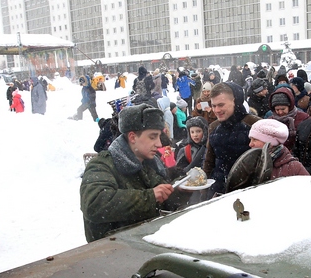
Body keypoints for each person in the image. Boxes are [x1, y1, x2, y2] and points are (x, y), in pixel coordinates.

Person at [80, 104, 186, 241]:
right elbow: (94, 204)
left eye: (159, 136)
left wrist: (182, 191)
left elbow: (163, 200)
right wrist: (150, 196)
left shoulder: (149, 163)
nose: (159, 144)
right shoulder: (102, 165)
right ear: (132, 137)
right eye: (153, 137)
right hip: (112, 251)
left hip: (142, 244)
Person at [203, 82, 261, 194]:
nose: (216, 110)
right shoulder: (213, 127)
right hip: (218, 190)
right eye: (213, 106)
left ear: (235, 101)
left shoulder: (255, 124)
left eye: (221, 105)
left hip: (249, 191)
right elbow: (209, 162)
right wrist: (205, 192)